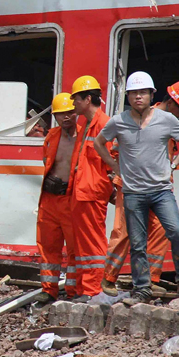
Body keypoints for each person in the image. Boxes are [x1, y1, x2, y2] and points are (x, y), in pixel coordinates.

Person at [94, 71, 179, 305]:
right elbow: (99, 142)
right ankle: (139, 288)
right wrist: (113, 166)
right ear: (128, 96)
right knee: (135, 240)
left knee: (176, 233)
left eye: (143, 92)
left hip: (161, 191)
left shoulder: (167, 120)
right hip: (132, 191)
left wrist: (174, 164)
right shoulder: (119, 121)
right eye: (134, 93)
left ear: (151, 95)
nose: (138, 97)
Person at [68, 75, 115, 301]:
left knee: (93, 244)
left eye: (75, 98)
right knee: (80, 245)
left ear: (88, 98)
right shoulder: (84, 125)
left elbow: (114, 159)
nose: (73, 103)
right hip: (80, 192)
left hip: (92, 193)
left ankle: (92, 290)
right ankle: (82, 289)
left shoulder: (105, 124)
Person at [32, 93, 79, 305]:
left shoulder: (84, 137)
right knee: (47, 244)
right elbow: (47, 161)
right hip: (50, 198)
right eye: (61, 114)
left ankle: (73, 289)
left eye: (69, 112)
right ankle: (49, 289)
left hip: (70, 198)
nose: (66, 117)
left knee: (74, 248)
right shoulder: (52, 137)